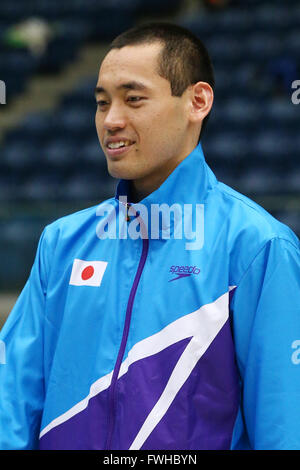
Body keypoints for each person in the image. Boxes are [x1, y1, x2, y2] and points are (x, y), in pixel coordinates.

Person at [0, 22, 299, 451]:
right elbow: (10, 404)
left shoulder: (258, 248)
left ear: (197, 101)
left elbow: (284, 427)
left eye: (133, 99)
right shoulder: (60, 244)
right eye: (102, 104)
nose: (111, 121)